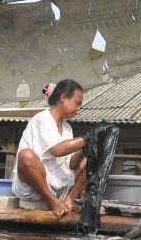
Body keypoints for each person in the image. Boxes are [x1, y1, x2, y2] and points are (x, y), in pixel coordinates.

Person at [12, 79, 89, 217]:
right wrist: (86, 139)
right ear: (63, 98)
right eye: (77, 103)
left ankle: (69, 200)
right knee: (26, 156)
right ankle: (51, 201)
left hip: (60, 185)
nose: (79, 109)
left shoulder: (67, 128)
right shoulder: (42, 119)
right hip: (35, 187)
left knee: (90, 158)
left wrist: (88, 147)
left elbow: (69, 163)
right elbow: (57, 150)